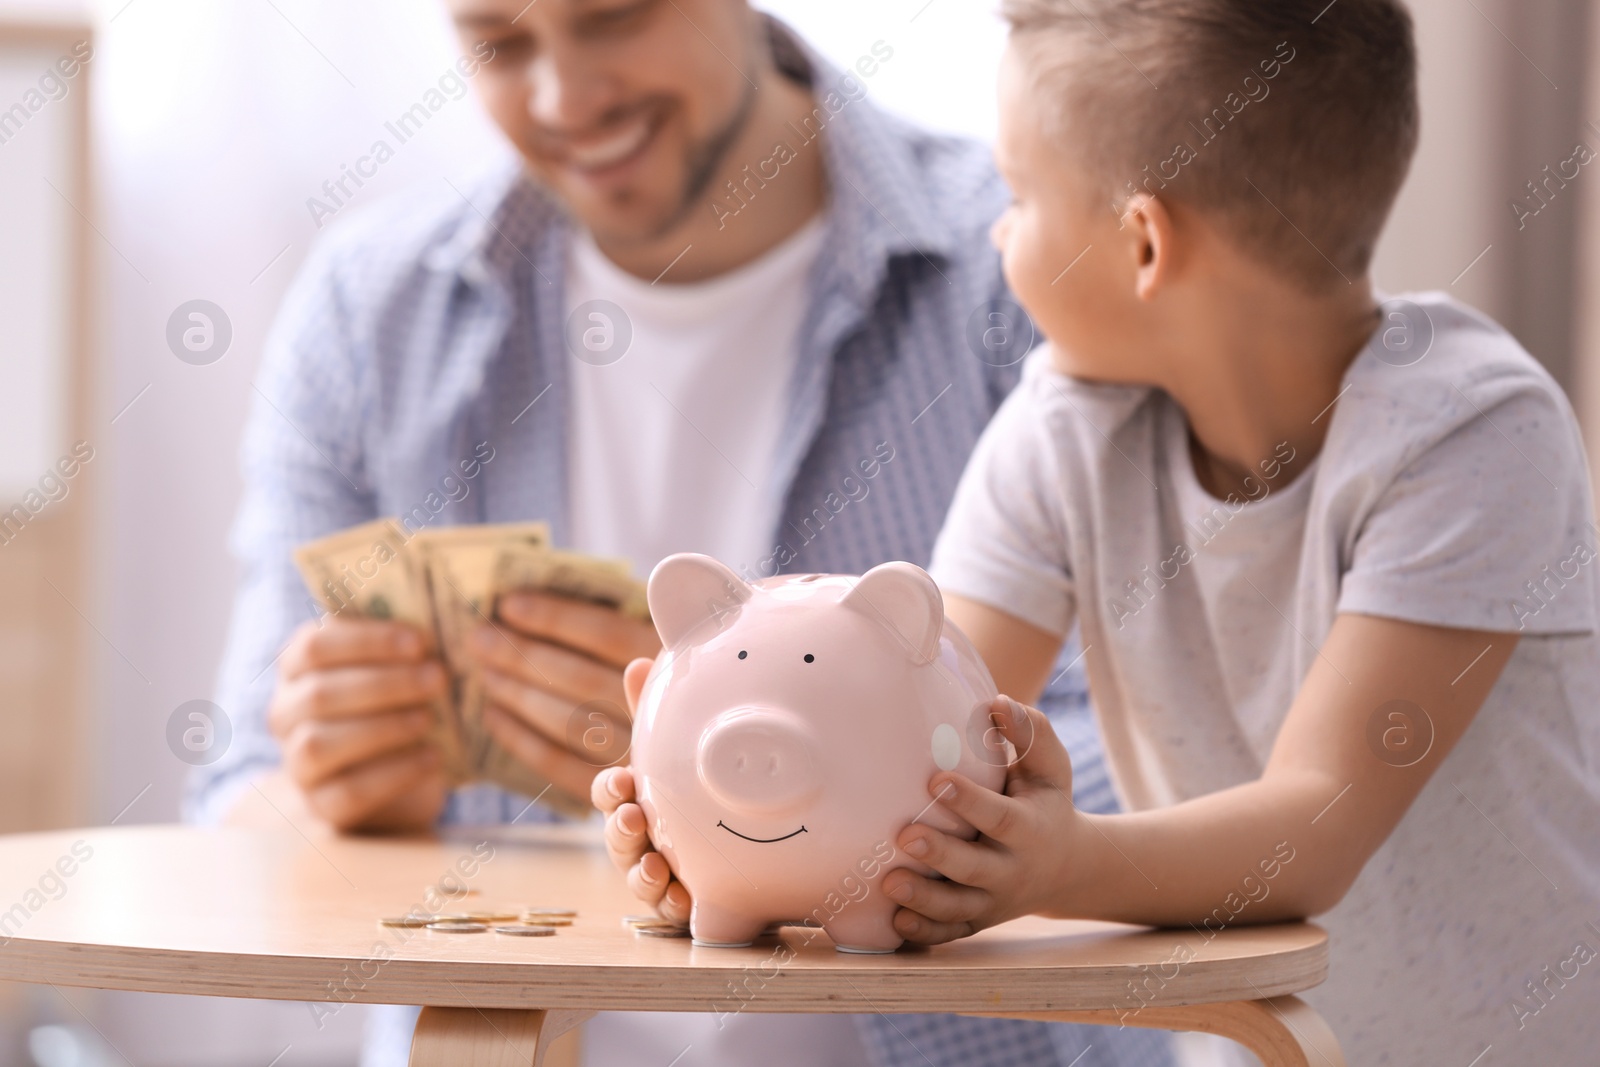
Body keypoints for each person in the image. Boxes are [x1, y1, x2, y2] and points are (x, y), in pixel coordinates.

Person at [186, 2, 1173, 1066]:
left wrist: (875, 781)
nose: (565, 99)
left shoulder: (1028, 268)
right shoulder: (367, 316)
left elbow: (1181, 768)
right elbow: (228, 807)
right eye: (500, 44)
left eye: (614, 17)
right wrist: (326, 796)